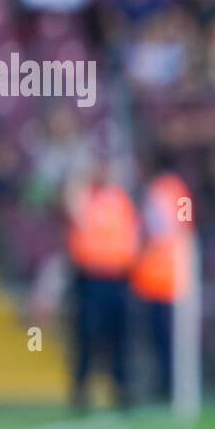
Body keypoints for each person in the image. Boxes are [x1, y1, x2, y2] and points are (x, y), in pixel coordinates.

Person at [66, 156, 140, 411]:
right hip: (91, 278)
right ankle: (81, 388)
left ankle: (121, 388)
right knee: (87, 335)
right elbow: (72, 207)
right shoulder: (86, 198)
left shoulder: (120, 201)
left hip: (118, 277)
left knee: (118, 336)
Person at [130, 158, 194, 403]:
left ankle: (168, 386)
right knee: (163, 339)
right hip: (163, 278)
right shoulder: (176, 191)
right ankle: (168, 385)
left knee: (163, 339)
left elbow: (157, 231)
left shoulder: (161, 192)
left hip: (160, 278)